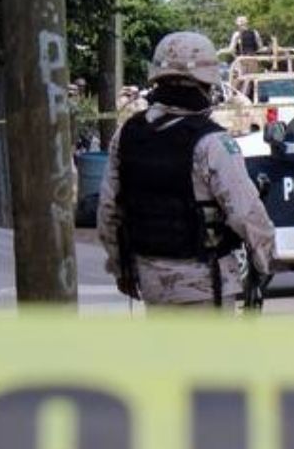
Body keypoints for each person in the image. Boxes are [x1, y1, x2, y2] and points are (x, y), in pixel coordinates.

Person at [97, 31, 276, 309]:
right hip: (205, 287)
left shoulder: (127, 134)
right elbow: (246, 213)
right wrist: (264, 260)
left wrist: (121, 268)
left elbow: (109, 211)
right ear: (205, 83)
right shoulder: (213, 142)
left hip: (152, 284)